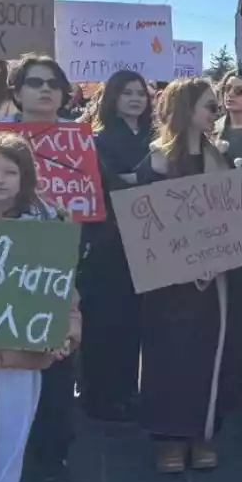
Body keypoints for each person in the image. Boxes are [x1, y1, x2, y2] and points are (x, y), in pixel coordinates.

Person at [135, 79, 242, 472]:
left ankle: (203, 433)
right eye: (210, 106)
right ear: (186, 109)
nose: (217, 113)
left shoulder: (222, 158)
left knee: (209, 353)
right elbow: (147, 226)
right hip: (168, 283)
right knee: (169, 355)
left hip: (215, 280)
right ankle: (169, 437)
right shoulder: (155, 162)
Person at [0, 133, 78, 482]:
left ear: (25, 178)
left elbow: (64, 291)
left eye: (9, 172)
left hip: (24, 355)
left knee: (11, 439)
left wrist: (66, 333)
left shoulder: (49, 224)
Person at [0, 54, 75, 480]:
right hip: (1, 265)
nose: (45, 89)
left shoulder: (83, 142)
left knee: (55, 356)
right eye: (34, 82)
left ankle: (51, 446)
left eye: (53, 83)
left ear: (63, 93)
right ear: (17, 91)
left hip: (59, 263)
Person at [78, 70, 151, 423]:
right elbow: (105, 184)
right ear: (113, 98)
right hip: (108, 242)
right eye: (127, 93)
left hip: (148, 239)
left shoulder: (156, 137)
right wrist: (144, 177)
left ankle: (126, 391)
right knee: (105, 321)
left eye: (140, 93)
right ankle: (98, 396)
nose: (136, 99)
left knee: (134, 322)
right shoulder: (97, 139)